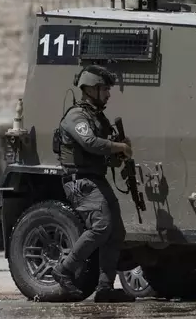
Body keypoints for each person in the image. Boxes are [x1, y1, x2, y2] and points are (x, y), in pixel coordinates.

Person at [51, 64, 135, 303]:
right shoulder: (76, 116)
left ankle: (105, 288)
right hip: (80, 181)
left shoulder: (98, 118)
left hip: (95, 179)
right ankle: (64, 270)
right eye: (104, 89)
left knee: (116, 232)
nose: (108, 94)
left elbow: (105, 154)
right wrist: (119, 147)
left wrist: (119, 154)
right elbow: (89, 142)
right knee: (101, 227)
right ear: (90, 90)